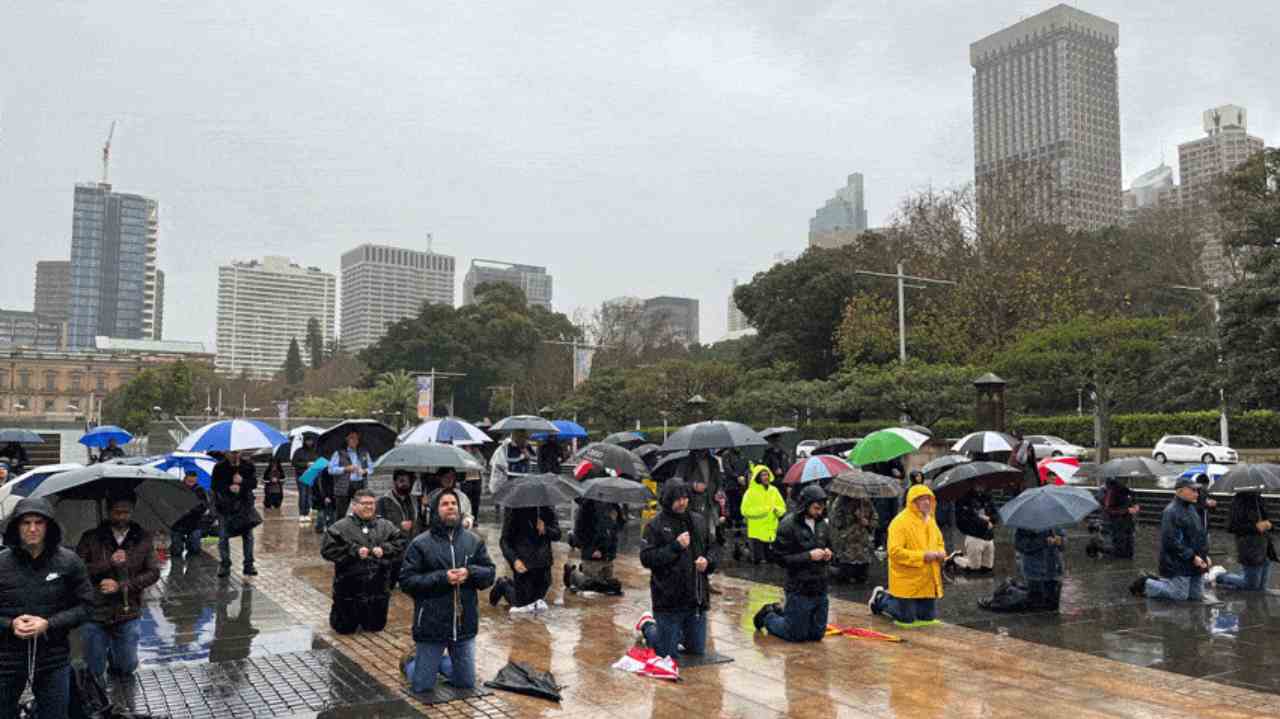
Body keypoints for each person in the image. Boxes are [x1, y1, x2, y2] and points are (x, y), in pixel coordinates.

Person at [0, 497, 94, 719]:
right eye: (26, 523)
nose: (32, 529)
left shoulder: (69, 562)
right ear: (16, 526)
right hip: (6, 660)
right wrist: (9, 624)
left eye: (39, 522)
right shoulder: (1, 564)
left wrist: (49, 624)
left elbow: (87, 606)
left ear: (48, 526)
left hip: (53, 659)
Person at [399, 489, 495, 694]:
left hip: (464, 625)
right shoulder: (420, 543)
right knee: (422, 686)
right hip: (431, 625)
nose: (451, 507)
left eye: (454, 503)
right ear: (435, 511)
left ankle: (441, 664)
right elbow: (406, 581)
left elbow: (489, 574)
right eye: (445, 504)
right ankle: (410, 663)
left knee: (466, 684)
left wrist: (470, 573)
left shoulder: (473, 540)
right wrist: (443, 577)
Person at [75, 492, 161, 680]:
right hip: (94, 611)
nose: (121, 517)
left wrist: (123, 586)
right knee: (94, 669)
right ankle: (97, 700)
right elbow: (76, 570)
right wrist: (107, 565)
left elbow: (154, 572)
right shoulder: (90, 537)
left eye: (126, 512)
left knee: (126, 666)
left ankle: (115, 658)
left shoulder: (142, 538)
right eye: (117, 512)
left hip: (127, 609)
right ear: (108, 511)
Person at [634, 480, 718, 659]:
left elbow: (713, 548)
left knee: (696, 651)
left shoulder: (698, 521)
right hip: (669, 601)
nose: (682, 502)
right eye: (678, 499)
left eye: (685, 498)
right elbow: (646, 558)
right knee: (667, 654)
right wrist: (675, 546)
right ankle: (648, 627)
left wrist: (708, 562)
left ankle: (675, 633)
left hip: (695, 600)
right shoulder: (654, 525)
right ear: (668, 500)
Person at [320, 489, 406, 634]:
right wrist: (353, 551)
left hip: (378, 591)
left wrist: (385, 550)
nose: (369, 507)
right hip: (348, 591)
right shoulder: (340, 527)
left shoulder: (386, 526)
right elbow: (327, 550)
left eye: (371, 503)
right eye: (364, 503)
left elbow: (401, 544)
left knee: (375, 628)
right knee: (344, 629)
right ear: (354, 505)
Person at [754, 484, 832, 641]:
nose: (819, 512)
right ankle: (768, 615)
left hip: (820, 585)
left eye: (822, 508)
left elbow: (830, 544)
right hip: (799, 587)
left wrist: (829, 552)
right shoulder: (788, 525)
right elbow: (780, 559)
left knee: (816, 635)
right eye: (816, 508)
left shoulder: (823, 524)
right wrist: (808, 556)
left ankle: (788, 614)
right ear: (806, 505)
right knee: (796, 635)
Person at [868, 484, 946, 627]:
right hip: (906, 580)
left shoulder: (931, 521)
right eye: (922, 499)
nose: (927, 502)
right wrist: (922, 556)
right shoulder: (899, 523)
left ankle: (902, 603)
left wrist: (942, 553)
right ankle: (880, 598)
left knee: (927, 618)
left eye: (928, 498)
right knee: (906, 618)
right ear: (912, 502)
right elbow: (894, 552)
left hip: (927, 580)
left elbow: (939, 542)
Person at [1131, 478, 1209, 601]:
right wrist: (1192, 556)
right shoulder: (1171, 512)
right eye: (1193, 490)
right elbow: (1171, 541)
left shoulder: (1191, 508)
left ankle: (1164, 582)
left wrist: (1204, 556)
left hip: (1194, 561)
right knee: (1180, 595)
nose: (1197, 494)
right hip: (1177, 561)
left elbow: (1199, 535)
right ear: (1180, 491)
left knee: (1196, 596)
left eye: (1197, 490)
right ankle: (1146, 583)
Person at [490, 501, 560, 613]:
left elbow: (557, 534)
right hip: (524, 564)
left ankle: (511, 585)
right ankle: (503, 584)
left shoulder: (548, 507)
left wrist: (545, 529)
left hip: (543, 563)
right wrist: (515, 560)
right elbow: (504, 541)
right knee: (523, 604)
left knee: (536, 603)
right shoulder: (514, 508)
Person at [1213, 490, 1273, 592]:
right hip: (1250, 547)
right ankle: (1220, 576)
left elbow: (1265, 520)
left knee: (1261, 588)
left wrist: (1268, 524)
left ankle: (1254, 607)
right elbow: (1231, 527)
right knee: (1250, 585)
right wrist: (1255, 527)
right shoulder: (1239, 501)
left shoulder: (1259, 498)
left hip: (1265, 546)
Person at [211, 450, 258, 578]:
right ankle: (225, 564)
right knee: (223, 537)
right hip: (225, 507)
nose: (235, 455)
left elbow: (254, 483)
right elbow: (214, 485)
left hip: (244, 506)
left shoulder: (248, 466)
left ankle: (249, 564)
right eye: (232, 453)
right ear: (226, 453)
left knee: (248, 536)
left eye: (237, 452)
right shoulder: (219, 467)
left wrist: (242, 482)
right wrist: (228, 487)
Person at [564, 498, 625, 595]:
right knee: (591, 589)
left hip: (608, 555)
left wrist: (614, 523)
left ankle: (578, 573)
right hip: (593, 556)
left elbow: (620, 524)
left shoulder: (613, 504)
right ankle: (572, 575)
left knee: (606, 589)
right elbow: (579, 532)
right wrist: (592, 549)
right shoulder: (588, 505)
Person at [740, 465, 786, 564]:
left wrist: (777, 510)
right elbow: (745, 510)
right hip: (757, 533)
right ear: (757, 477)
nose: (766, 477)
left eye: (767, 474)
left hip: (771, 531)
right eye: (763, 475)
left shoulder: (774, 490)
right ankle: (744, 552)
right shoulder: (750, 492)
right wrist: (763, 511)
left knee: (772, 560)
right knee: (758, 561)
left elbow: (782, 507)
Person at [947, 488, 999, 574]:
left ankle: (968, 559)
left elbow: (996, 515)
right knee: (974, 567)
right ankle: (955, 559)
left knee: (987, 568)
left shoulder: (988, 497)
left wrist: (990, 519)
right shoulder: (964, 499)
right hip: (975, 536)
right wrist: (985, 523)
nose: (981, 485)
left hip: (989, 536)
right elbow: (966, 518)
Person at [829, 494, 877, 584]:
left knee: (862, 578)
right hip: (847, 546)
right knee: (845, 578)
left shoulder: (866, 501)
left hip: (863, 546)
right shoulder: (840, 501)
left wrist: (867, 523)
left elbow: (875, 518)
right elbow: (835, 520)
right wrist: (851, 517)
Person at [1014, 527, 1065, 610]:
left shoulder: (1056, 523)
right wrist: (1043, 541)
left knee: (1052, 608)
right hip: (1034, 574)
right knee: (1036, 609)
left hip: (1054, 572)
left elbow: (1063, 544)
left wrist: (1060, 541)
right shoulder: (1026, 524)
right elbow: (1020, 545)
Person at [328, 430, 374, 520]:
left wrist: (364, 471)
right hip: (344, 486)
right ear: (347, 439)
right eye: (351, 438)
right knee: (341, 513)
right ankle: (339, 532)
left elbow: (371, 468)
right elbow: (331, 470)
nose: (354, 440)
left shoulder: (364, 452)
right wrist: (345, 469)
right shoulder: (339, 453)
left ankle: (360, 530)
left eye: (356, 438)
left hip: (360, 484)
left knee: (362, 510)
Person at [1088, 477, 1138, 559]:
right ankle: (1099, 550)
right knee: (1119, 545)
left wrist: (1135, 505)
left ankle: (1126, 556)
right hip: (1118, 523)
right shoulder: (1111, 491)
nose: (1126, 481)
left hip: (1128, 522)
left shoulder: (1126, 490)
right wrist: (1126, 510)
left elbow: (1132, 500)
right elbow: (1109, 509)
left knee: (1129, 544)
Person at [170, 469, 209, 561]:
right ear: (184, 479)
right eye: (189, 481)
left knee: (194, 549)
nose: (191, 483)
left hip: (194, 523)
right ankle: (176, 569)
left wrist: (191, 509)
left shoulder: (200, 490)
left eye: (193, 481)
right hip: (178, 523)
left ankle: (192, 567)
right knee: (176, 550)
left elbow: (204, 506)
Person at [719, 448, 750, 560]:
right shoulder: (726, 455)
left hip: (742, 485)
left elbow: (747, 466)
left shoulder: (743, 453)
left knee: (741, 505)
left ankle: (739, 523)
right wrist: (737, 477)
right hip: (731, 485)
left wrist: (744, 476)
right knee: (733, 505)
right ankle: (732, 523)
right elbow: (727, 469)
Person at [488, 429, 535, 500]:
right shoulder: (507, 447)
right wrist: (521, 457)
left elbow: (534, 458)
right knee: (511, 501)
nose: (525, 440)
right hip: (510, 479)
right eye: (522, 437)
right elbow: (501, 463)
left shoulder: (527, 446)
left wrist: (527, 455)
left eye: (526, 438)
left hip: (525, 479)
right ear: (516, 437)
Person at [291, 434, 320, 524]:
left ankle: (307, 513)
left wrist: (315, 464)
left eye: (311, 440)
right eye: (307, 440)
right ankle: (302, 514)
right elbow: (294, 463)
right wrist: (306, 464)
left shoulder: (315, 451)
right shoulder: (299, 451)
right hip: (301, 475)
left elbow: (319, 461)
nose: (309, 442)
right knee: (303, 494)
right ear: (304, 441)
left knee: (309, 495)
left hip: (311, 475)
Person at [1193, 473, 1217, 556]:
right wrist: (1207, 504)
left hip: (1204, 524)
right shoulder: (1195, 493)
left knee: (1204, 544)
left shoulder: (1204, 492)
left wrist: (1212, 505)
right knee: (1201, 546)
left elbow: (1209, 509)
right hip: (1199, 524)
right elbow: (1196, 507)